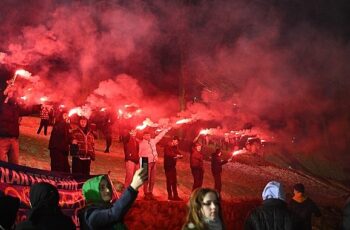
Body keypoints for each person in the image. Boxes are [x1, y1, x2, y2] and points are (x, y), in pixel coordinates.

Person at [79, 168, 147, 230]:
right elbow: (113, 214)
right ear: (94, 193)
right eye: (102, 188)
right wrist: (133, 187)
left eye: (107, 186)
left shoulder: (107, 206)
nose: (107, 190)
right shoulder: (90, 215)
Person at [138, 127, 171, 200]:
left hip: (153, 162)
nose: (148, 136)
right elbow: (139, 154)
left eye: (149, 135)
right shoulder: (141, 144)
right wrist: (142, 164)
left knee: (152, 179)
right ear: (143, 136)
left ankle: (150, 192)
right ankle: (146, 193)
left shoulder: (153, 141)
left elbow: (159, 136)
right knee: (146, 179)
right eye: (146, 135)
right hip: (146, 162)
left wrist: (166, 129)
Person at [164, 136, 183, 201]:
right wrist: (175, 155)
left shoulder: (175, 147)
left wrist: (180, 155)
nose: (177, 143)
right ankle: (170, 196)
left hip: (172, 166)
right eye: (176, 142)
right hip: (168, 166)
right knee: (169, 181)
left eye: (178, 142)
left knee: (174, 181)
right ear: (173, 140)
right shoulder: (168, 146)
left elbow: (177, 152)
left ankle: (175, 196)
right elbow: (168, 154)